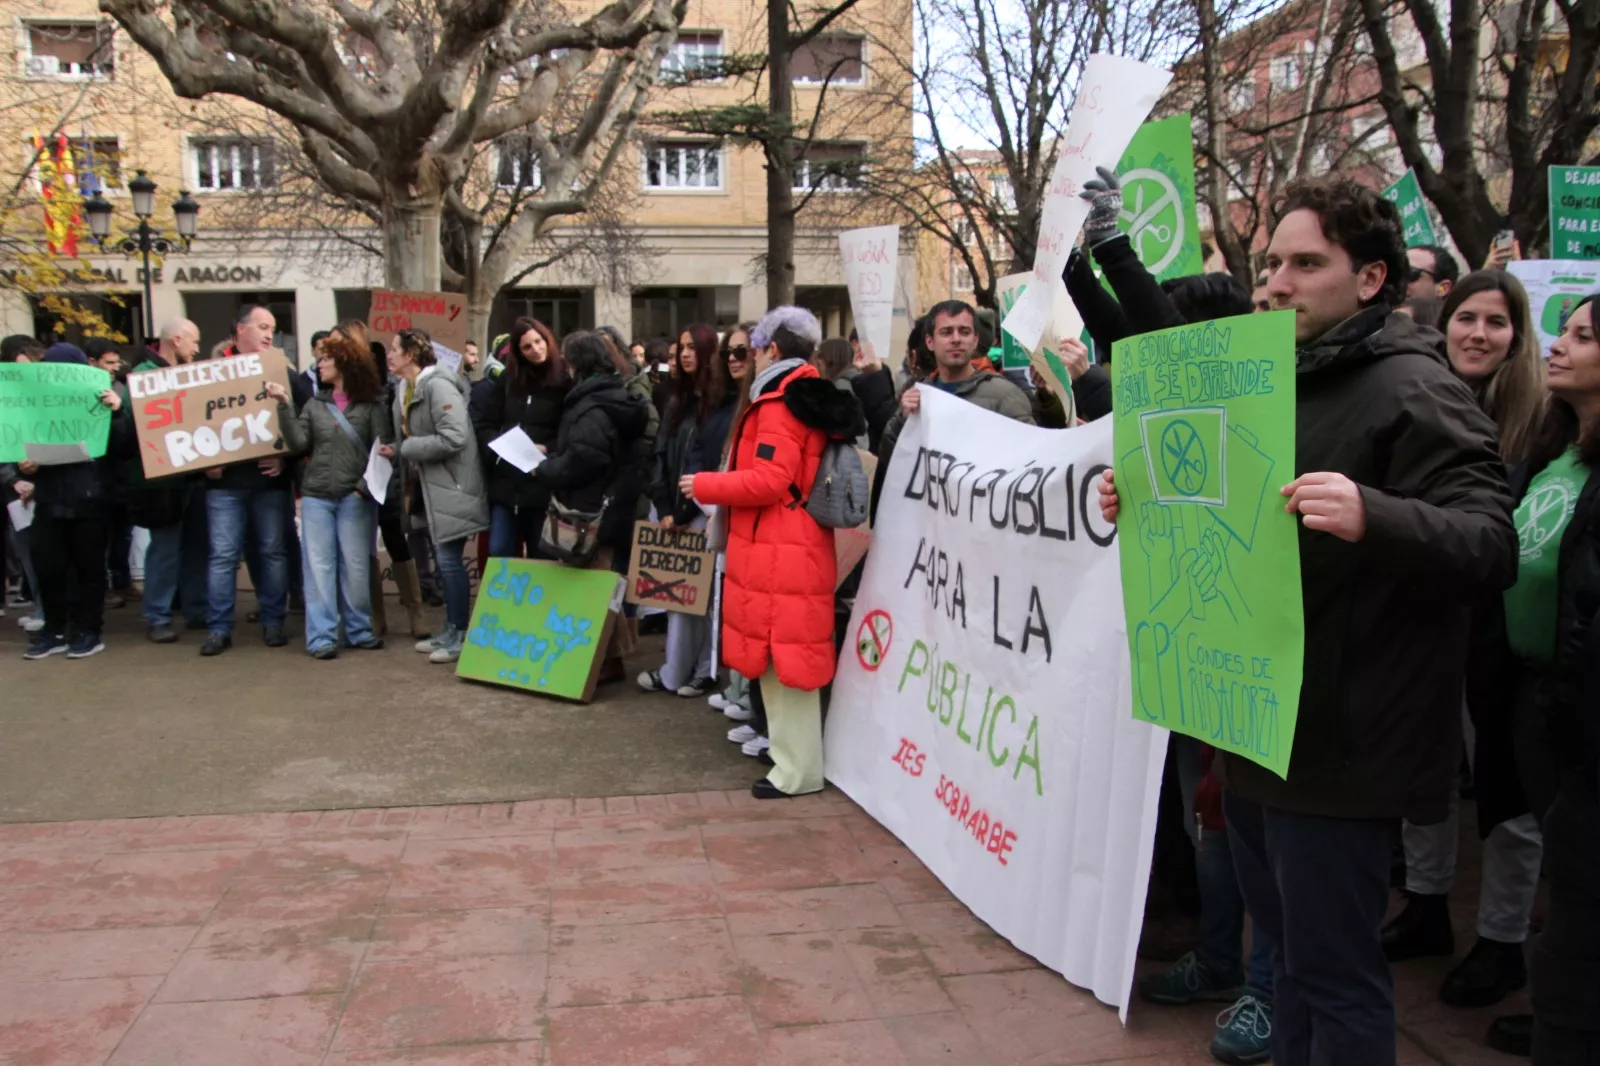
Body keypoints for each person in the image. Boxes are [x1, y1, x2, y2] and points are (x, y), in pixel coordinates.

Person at [1100, 176, 1516, 1066]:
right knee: (1284, 966)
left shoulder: (1412, 386)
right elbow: (1222, 495)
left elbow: (1490, 544)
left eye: (1304, 263)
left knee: (1333, 975)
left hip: (1343, 741)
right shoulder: (1279, 374)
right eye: (1271, 263)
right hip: (1257, 728)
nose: (1274, 283)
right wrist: (1137, 494)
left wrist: (1378, 513)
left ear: (1369, 280)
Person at [682, 306, 864, 799]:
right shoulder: (802, 397)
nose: (752, 356)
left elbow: (769, 479)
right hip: (788, 548)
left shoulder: (779, 404)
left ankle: (796, 771)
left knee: (787, 667)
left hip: (779, 549)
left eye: (756, 347)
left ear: (772, 350)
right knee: (786, 662)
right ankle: (792, 764)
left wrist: (704, 483)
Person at [1504, 294, 1600, 1062]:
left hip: (1580, 718)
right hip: (1537, 698)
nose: (1557, 346)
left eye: (1581, 335)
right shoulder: (1555, 448)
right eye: (1560, 331)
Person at [528, 331, 651, 682]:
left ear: (577, 363)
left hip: (591, 508)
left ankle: (602, 662)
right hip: (610, 504)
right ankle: (609, 660)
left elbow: (585, 458)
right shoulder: (612, 396)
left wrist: (546, 467)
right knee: (601, 582)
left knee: (592, 585)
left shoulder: (591, 404)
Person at [267, 331, 393, 659]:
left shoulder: (371, 406)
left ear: (345, 364)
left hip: (353, 497)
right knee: (318, 567)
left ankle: (359, 630)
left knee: (354, 566)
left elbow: (383, 451)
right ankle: (321, 636)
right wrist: (284, 407)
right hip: (316, 496)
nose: (319, 364)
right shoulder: (313, 403)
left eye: (326, 359)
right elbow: (297, 443)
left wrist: (361, 490)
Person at [5, 343, 133, 660]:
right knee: (50, 568)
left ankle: (88, 630)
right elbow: (18, 443)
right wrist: (24, 468)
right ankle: (55, 630)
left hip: (89, 499)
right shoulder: (38, 406)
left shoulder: (102, 400)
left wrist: (117, 411)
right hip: (49, 498)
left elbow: (125, 447)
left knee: (88, 569)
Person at [199, 305, 305, 656]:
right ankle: (218, 629)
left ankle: (273, 622)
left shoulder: (285, 373)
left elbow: (304, 424)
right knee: (222, 556)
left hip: (269, 485)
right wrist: (204, 465)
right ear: (239, 330)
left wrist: (284, 457)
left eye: (272, 328)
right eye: (262, 327)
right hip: (223, 486)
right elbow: (188, 425)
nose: (268, 334)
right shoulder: (206, 374)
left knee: (273, 553)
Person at [872, 301, 1033, 517]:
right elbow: (891, 460)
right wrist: (902, 419)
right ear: (930, 341)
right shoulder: (917, 393)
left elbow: (1030, 464)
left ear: (975, 340)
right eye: (946, 332)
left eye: (964, 332)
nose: (956, 339)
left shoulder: (1004, 395)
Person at [387, 328, 488, 664]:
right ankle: (449, 629)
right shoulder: (406, 388)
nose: (389, 355)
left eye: (393, 349)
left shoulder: (437, 385)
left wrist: (407, 448)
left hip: (452, 485)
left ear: (410, 355)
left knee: (447, 561)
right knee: (445, 562)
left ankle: (459, 633)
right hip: (433, 487)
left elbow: (454, 437)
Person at [639, 323, 729, 698]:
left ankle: (703, 671)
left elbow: (711, 462)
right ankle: (678, 669)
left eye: (692, 348)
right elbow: (660, 456)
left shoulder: (722, 404)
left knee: (702, 598)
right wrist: (665, 507)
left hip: (705, 509)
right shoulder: (676, 401)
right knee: (677, 597)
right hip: (677, 510)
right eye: (681, 348)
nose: (684, 354)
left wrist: (694, 505)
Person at [124, 318, 210, 643]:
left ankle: (195, 608)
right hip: (163, 482)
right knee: (166, 550)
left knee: (196, 547)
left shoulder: (183, 374)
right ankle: (158, 614)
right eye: (194, 341)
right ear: (177, 340)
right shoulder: (145, 377)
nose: (197, 348)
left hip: (192, 476)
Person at [474, 317, 568, 559]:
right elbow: (485, 424)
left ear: (547, 339)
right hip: (506, 482)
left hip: (543, 483)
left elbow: (571, 430)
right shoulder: (508, 380)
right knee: (499, 549)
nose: (536, 350)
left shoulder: (565, 380)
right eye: (527, 346)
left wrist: (548, 448)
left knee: (541, 554)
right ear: (518, 351)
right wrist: (500, 448)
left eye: (538, 341)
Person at [1, 336, 46, 634]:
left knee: (47, 554)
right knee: (27, 554)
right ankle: (42, 608)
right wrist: (14, 480)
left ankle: (51, 610)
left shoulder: (49, 402)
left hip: (47, 486)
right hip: (16, 493)